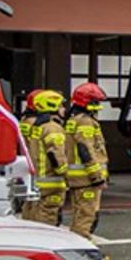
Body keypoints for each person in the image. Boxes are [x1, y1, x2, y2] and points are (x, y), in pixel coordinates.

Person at [63, 82, 111, 240]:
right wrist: (97, 177)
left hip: (79, 178)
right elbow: (86, 150)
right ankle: (81, 250)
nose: (97, 105)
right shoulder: (85, 121)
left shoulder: (73, 119)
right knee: (86, 217)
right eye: (95, 101)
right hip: (86, 179)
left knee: (79, 214)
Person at [20, 90, 70, 226]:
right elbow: (56, 155)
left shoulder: (38, 126)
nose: (64, 109)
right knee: (47, 218)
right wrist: (67, 175)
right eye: (61, 106)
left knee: (30, 215)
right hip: (51, 182)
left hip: (36, 180)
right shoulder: (53, 128)